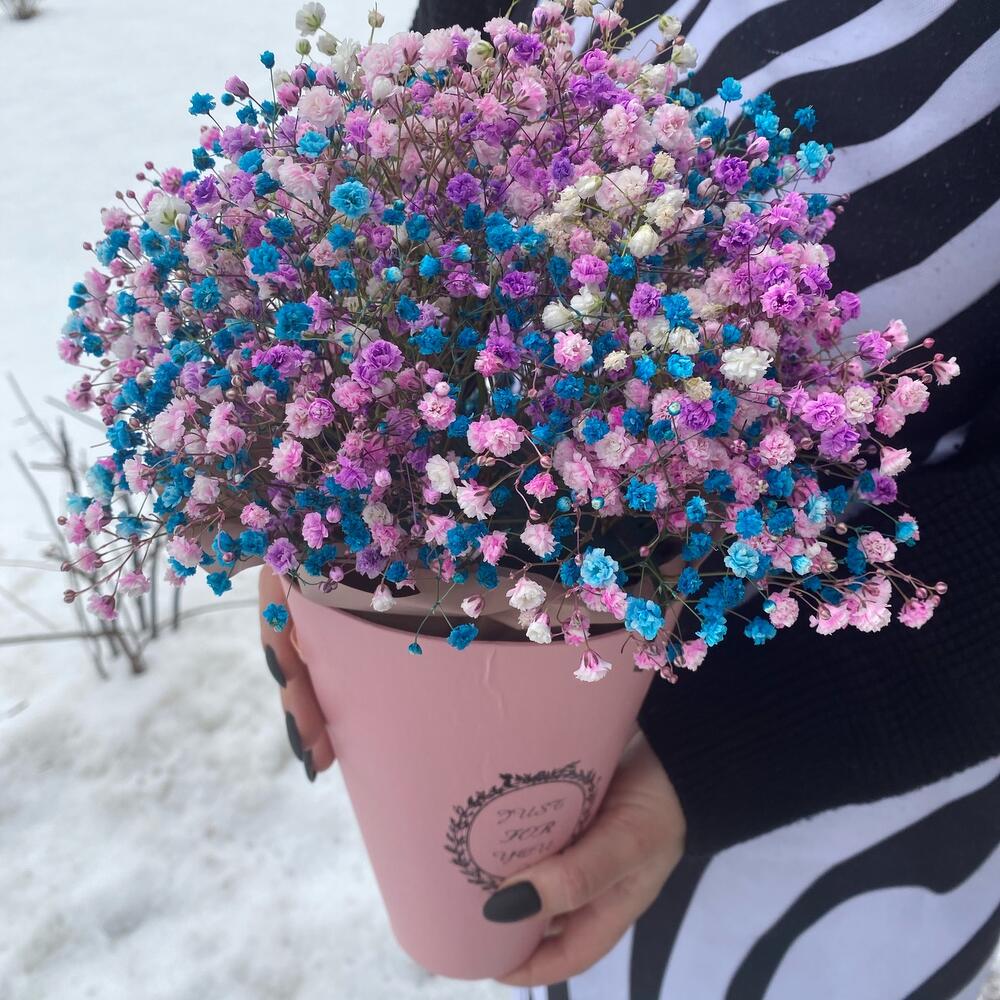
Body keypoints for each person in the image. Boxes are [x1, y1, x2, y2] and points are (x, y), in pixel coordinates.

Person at [260, 1, 1000, 996]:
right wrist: (310, 476)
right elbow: (471, 51)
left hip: (849, 749)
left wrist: (731, 741)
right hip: (498, 474)